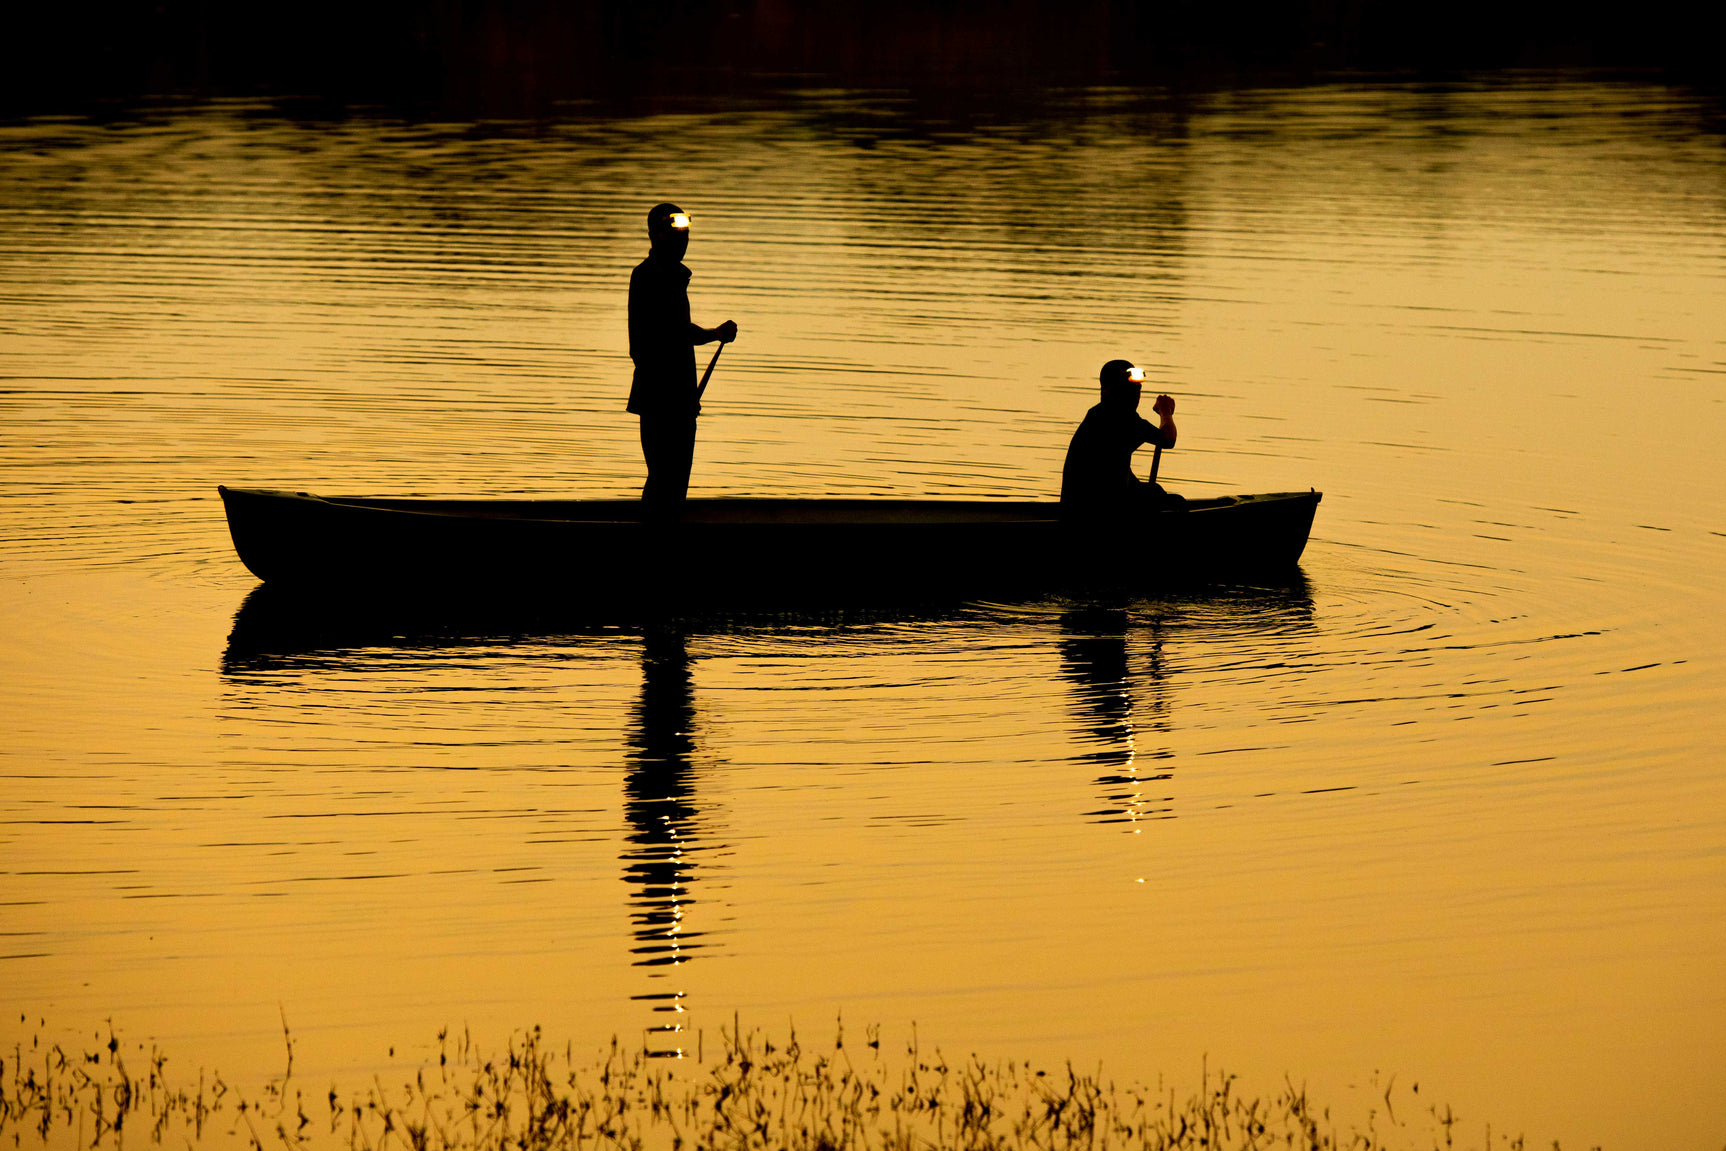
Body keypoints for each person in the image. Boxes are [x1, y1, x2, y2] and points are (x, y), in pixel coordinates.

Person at [627, 202, 737, 512]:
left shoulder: (669, 276)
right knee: (666, 479)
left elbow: (676, 332)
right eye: (676, 235)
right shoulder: (651, 276)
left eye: (685, 235)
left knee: (670, 481)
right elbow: (674, 332)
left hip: (674, 397)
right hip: (662, 398)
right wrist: (715, 333)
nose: (682, 241)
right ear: (655, 235)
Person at [1060, 359, 1180, 519]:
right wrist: (1165, 410)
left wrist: (1150, 491)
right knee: (1175, 504)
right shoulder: (1119, 418)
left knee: (1155, 492)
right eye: (1128, 389)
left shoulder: (1096, 415)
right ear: (1107, 390)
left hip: (1086, 509)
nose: (1136, 395)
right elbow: (1168, 438)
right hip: (1093, 514)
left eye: (1138, 389)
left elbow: (1116, 471)